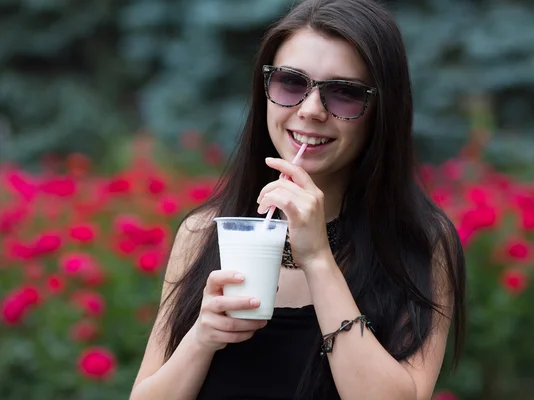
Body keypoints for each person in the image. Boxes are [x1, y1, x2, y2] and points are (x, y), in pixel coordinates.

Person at [130, 0, 466, 399]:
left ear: (382, 111)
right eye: (290, 82)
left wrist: (319, 260)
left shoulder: (418, 242)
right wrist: (201, 339)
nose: (310, 110)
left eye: (344, 93)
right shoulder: (203, 233)